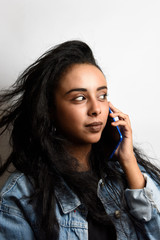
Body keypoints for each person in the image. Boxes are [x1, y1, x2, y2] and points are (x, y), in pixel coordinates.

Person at [0, 40, 160, 240]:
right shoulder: (21, 195)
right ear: (50, 110)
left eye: (102, 96)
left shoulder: (128, 173)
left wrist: (128, 161)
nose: (96, 109)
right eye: (79, 98)